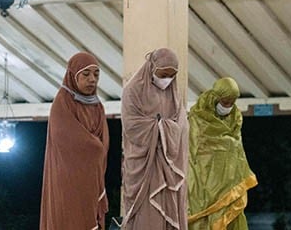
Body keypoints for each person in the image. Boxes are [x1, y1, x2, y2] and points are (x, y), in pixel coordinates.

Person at [40, 52, 109, 230]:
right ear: (73, 75)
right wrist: (94, 147)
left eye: (96, 74)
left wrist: (97, 149)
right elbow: (65, 136)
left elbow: (104, 142)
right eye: (86, 74)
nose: (92, 79)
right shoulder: (63, 102)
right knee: (70, 217)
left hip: (92, 178)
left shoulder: (97, 106)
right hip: (68, 179)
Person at [121, 48, 188, 229]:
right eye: (163, 74)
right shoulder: (133, 90)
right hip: (143, 166)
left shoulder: (174, 94)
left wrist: (165, 128)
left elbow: (181, 125)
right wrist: (161, 126)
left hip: (169, 165)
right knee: (145, 216)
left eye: (171, 75)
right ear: (152, 67)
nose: (167, 79)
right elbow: (132, 126)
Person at [188, 77, 258, 230]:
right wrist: (225, 145)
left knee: (229, 217)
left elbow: (237, 149)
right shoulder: (198, 116)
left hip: (228, 180)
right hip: (202, 180)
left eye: (232, 103)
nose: (228, 106)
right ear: (215, 97)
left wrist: (227, 146)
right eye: (225, 102)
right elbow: (194, 148)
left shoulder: (235, 117)